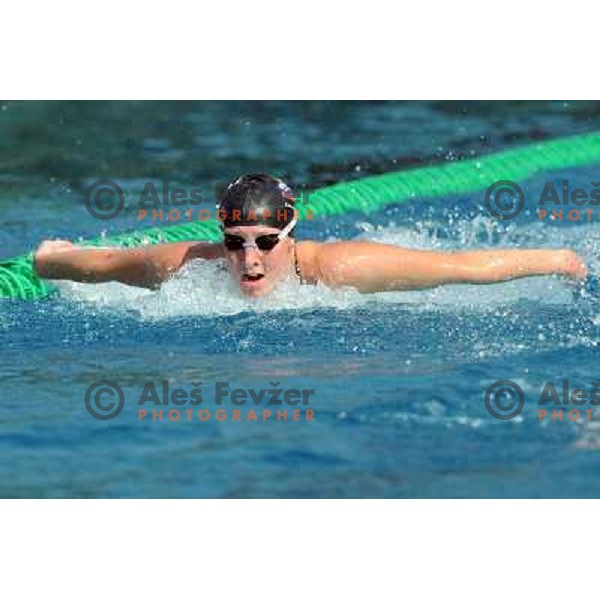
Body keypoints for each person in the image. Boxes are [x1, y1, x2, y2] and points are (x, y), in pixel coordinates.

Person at [34, 173, 589, 298]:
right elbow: (102, 263)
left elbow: (461, 267)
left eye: (265, 243)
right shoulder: (188, 265)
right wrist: (49, 259)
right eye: (236, 244)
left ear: (290, 235)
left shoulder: (340, 268)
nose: (248, 260)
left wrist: (558, 257)